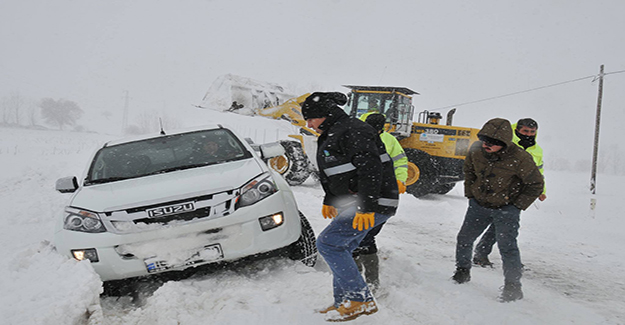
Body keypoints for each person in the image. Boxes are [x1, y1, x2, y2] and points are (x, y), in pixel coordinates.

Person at [301, 92, 399, 321]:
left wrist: (366, 206)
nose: (309, 125)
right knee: (342, 247)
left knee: (328, 244)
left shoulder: (352, 130)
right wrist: (330, 199)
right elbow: (340, 173)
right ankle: (343, 302)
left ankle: (359, 300)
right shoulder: (335, 132)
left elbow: (370, 170)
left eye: (311, 119)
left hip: (375, 201)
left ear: (324, 115)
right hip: (359, 201)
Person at [452, 118, 543, 302]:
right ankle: (462, 271)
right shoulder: (476, 150)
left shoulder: (520, 158)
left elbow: (536, 184)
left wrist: (516, 205)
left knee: (507, 248)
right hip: (479, 205)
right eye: (485, 140)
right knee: (464, 239)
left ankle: (513, 287)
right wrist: (471, 194)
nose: (487, 145)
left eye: (492, 143)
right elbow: (468, 171)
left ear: (504, 143)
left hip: (506, 209)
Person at [472, 118, 546, 267]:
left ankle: (482, 253)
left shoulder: (537, 150)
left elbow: (538, 172)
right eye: (525, 131)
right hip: (499, 189)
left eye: (532, 132)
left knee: (503, 225)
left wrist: (541, 190)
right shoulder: (505, 143)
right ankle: (506, 260)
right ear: (517, 130)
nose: (529, 134)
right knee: (505, 226)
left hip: (519, 193)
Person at [352, 113, 408, 292]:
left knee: (363, 235)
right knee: (357, 235)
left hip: (382, 195)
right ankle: (358, 277)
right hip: (361, 196)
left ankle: (366, 282)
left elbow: (400, 161)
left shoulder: (389, 141)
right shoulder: (356, 138)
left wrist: (401, 180)